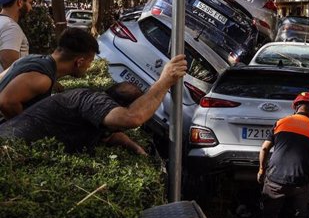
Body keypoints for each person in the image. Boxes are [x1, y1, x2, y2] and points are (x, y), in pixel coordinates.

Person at [0, 55, 187, 154]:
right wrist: (165, 81)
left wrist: (134, 147)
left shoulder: (95, 113)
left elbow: (110, 136)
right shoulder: (89, 100)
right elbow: (132, 118)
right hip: (8, 147)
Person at [0, 28, 99, 120]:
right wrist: (27, 130)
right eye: (90, 61)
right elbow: (6, 102)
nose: (89, 66)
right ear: (79, 62)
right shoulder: (43, 78)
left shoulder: (32, 59)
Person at [0, 0, 34, 72]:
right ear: (20, 2)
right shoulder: (11, 27)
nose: (31, 8)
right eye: (30, 3)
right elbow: (10, 67)